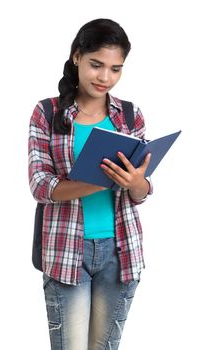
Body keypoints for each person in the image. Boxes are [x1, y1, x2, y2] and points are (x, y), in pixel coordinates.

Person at [28, 18, 152, 350]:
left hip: (120, 252)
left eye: (115, 69)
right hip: (66, 251)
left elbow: (140, 193)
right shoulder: (47, 113)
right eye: (96, 65)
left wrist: (137, 182)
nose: (104, 77)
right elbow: (41, 186)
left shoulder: (129, 115)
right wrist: (100, 181)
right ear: (76, 57)